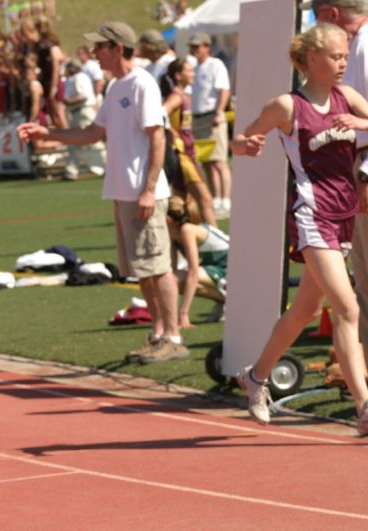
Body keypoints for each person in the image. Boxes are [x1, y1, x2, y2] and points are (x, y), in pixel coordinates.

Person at [230, 23, 368, 436]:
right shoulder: (287, 106)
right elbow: (240, 139)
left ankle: (256, 377)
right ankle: (366, 406)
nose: (343, 64)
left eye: (346, 57)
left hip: (343, 213)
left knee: (305, 311)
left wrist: (367, 126)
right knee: (347, 308)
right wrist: (248, 145)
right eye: (336, 57)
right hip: (310, 214)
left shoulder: (347, 97)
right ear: (312, 59)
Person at [19, 21, 188, 365]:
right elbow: (93, 133)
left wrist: (149, 189)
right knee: (143, 268)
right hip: (125, 192)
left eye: (100, 47)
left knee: (158, 267)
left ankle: (173, 336)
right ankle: (158, 334)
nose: (94, 53)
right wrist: (46, 134)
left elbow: (157, 136)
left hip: (143, 193)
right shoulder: (116, 86)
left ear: (116, 48)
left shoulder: (141, 83)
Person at [306, 0, 368, 390]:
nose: (312, 21)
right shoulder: (364, 43)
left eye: (315, 12)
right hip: (359, 163)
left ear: (332, 12)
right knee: (366, 279)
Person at [162, 58, 218, 227]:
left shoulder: (184, 95)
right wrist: (172, 133)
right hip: (183, 155)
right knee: (205, 200)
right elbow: (161, 113)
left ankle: (178, 244)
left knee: (181, 203)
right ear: (179, 75)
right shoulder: (176, 96)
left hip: (187, 153)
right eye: (189, 71)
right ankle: (218, 241)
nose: (193, 73)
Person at [189, 32, 233, 216]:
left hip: (212, 115)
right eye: (193, 47)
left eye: (198, 46)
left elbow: (224, 90)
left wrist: (218, 112)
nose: (194, 50)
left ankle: (226, 200)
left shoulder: (215, 64)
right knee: (207, 161)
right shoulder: (194, 68)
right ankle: (215, 199)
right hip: (198, 117)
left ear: (207, 46)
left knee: (219, 160)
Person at [166, 196, 227, 327]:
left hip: (232, 270)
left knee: (188, 276)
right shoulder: (173, 234)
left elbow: (193, 271)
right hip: (219, 269)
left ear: (168, 219)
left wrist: (183, 313)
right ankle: (225, 301)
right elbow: (171, 272)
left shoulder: (187, 230)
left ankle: (231, 301)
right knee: (172, 279)